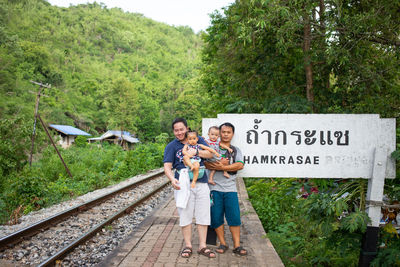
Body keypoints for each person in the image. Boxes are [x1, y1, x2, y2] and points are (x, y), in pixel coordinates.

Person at [163, 118, 216, 259]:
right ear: (173, 131)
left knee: (203, 213)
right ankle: (188, 245)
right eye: (176, 130)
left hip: (202, 181)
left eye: (181, 129)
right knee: (185, 214)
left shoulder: (198, 140)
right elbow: (167, 166)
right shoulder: (171, 146)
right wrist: (172, 178)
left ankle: (203, 246)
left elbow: (210, 154)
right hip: (183, 182)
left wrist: (195, 152)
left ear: (187, 128)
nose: (179, 132)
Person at [204, 122, 248, 256]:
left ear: (232, 134)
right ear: (219, 133)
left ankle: (237, 245)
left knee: (234, 217)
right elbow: (205, 163)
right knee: (216, 217)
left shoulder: (235, 150)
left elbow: (239, 165)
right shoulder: (211, 147)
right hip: (214, 189)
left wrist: (221, 167)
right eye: (223, 132)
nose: (226, 134)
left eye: (228, 132)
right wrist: (220, 165)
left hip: (230, 189)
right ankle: (223, 243)